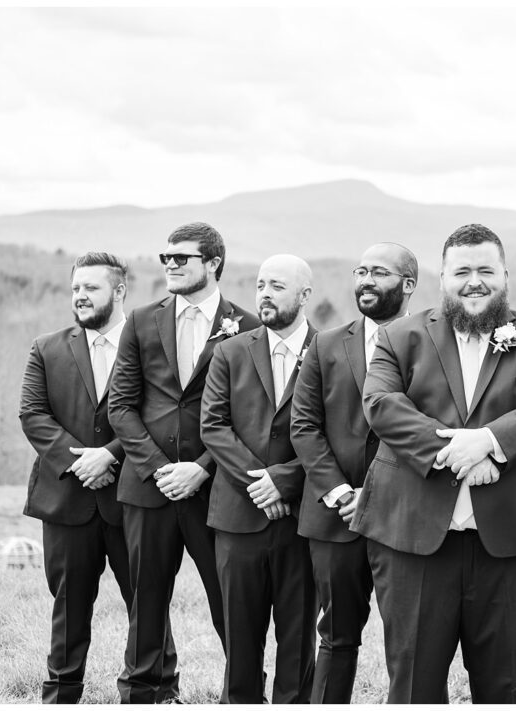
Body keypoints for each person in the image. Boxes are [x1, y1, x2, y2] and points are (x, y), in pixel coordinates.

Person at [353, 223, 516, 703]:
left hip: (515, 541)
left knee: (510, 686)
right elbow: (380, 403)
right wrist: (455, 452)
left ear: (505, 275)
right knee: (414, 684)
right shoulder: (400, 336)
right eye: (462, 271)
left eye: (485, 270)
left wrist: (490, 441)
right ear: (443, 277)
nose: (474, 281)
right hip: (414, 540)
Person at [108, 222, 259, 703]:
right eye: (165, 258)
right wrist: (157, 468)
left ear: (213, 263)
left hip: (217, 488)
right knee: (145, 601)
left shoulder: (249, 326)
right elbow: (121, 405)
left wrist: (202, 467)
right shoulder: (140, 319)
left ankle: (242, 696)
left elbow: (251, 416)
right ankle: (144, 693)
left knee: (230, 602)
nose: (170, 265)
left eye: (182, 258)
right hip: (147, 486)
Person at [19, 252, 173, 703]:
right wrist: (82, 462)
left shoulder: (153, 347)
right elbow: (33, 414)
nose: (80, 296)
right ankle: (62, 692)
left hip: (134, 494)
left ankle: (157, 688)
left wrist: (109, 456)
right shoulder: (47, 347)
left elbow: (160, 415)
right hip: (67, 496)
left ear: (120, 291)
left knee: (147, 598)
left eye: (92, 288)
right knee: (67, 602)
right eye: (76, 289)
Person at [291, 242, 418, 703]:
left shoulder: (432, 343)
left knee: (411, 642)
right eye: (360, 271)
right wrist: (340, 491)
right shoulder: (325, 344)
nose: (365, 280)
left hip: (406, 516)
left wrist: (380, 492)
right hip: (335, 515)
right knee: (336, 635)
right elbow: (303, 427)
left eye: (379, 272)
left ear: (407, 285)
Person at [201, 254, 317, 703]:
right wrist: (260, 481)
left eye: (277, 286)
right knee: (241, 641)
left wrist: (285, 481)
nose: (264, 294)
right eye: (260, 285)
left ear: (305, 295)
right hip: (237, 517)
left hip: (301, 520)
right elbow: (213, 426)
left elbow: (339, 434)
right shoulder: (231, 350)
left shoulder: (329, 352)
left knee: (298, 638)